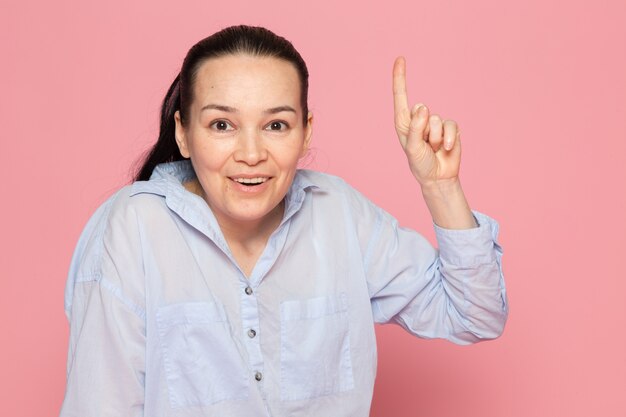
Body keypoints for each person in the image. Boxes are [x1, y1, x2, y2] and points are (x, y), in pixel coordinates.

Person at [60, 25, 508, 417]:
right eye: (221, 125)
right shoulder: (131, 231)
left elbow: (474, 315)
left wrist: (440, 186)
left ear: (306, 131)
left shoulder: (339, 213)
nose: (252, 154)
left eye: (276, 125)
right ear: (183, 132)